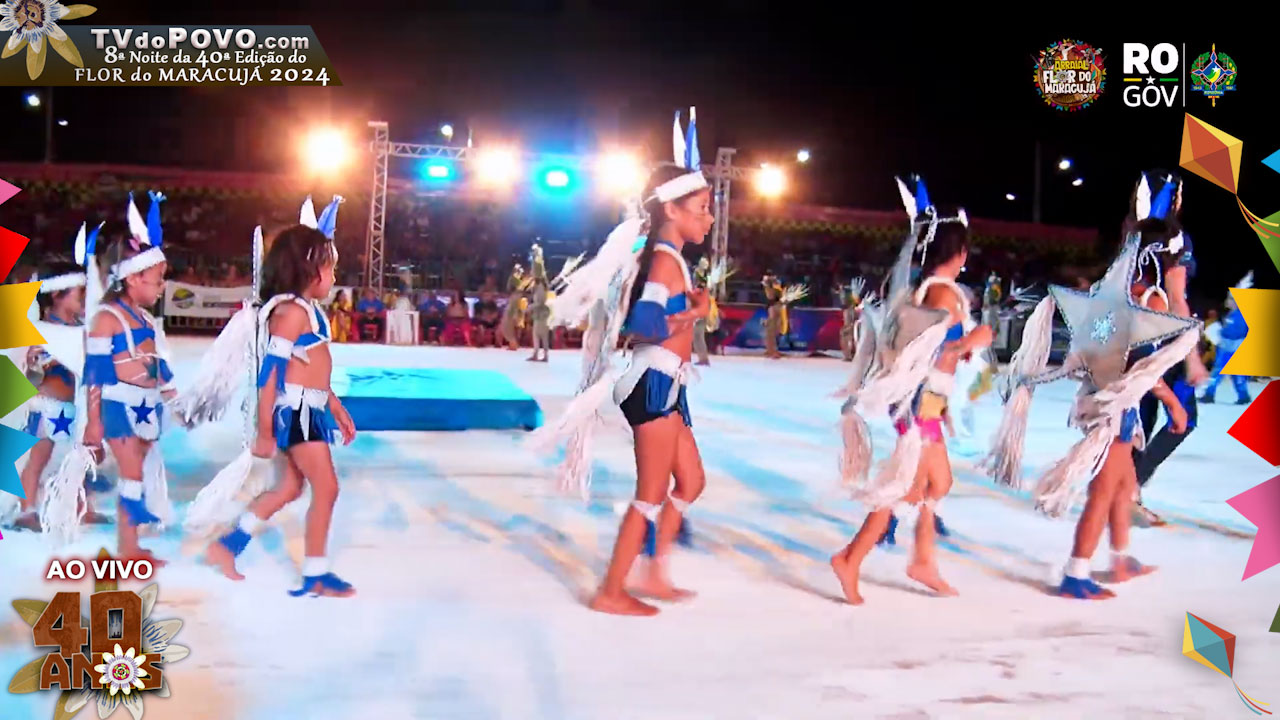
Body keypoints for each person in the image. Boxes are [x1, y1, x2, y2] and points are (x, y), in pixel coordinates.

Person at [533, 109, 713, 616]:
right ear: (672, 210)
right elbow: (644, 323)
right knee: (649, 495)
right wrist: (694, 313)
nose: (709, 218)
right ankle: (611, 590)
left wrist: (690, 311)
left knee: (691, 482)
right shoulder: (664, 261)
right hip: (652, 383)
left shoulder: (671, 259)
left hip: (668, 383)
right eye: (702, 208)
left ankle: (654, 573)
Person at [985, 174, 1200, 600]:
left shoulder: (1111, 289)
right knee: (1104, 491)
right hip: (1114, 410)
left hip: (1106, 402)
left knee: (1122, 485)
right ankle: (1076, 572)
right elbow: (1140, 369)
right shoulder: (1151, 300)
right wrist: (1173, 403)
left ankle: (1119, 559)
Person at [832, 176, 989, 604]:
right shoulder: (941, 293)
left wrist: (960, 354)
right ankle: (851, 558)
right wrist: (971, 342)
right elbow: (930, 351)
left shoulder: (928, 291)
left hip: (928, 400)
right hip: (921, 401)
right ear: (959, 252)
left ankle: (921, 559)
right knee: (908, 486)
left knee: (936, 482)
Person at [200, 197, 359, 596]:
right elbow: (270, 373)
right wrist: (265, 428)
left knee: (290, 488)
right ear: (308, 270)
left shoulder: (305, 310)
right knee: (327, 488)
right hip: (296, 414)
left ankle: (227, 546)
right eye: (330, 268)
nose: (334, 276)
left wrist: (335, 406)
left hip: (308, 410)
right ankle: (315, 573)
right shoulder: (291, 313)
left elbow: (311, 369)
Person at [82, 192, 178, 563]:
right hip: (117, 406)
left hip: (145, 405)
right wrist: (93, 421)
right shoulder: (106, 317)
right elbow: (96, 372)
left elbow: (155, 362)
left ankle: (131, 545)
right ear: (133, 278)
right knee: (132, 473)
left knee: (135, 473)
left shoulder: (146, 319)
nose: (162, 286)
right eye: (157, 279)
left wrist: (172, 395)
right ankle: (128, 549)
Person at [9, 227, 107, 532]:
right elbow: (29, 368)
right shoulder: (41, 331)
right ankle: (27, 510)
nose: (84, 300)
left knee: (82, 457)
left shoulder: (79, 329)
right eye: (79, 294)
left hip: (74, 406)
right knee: (38, 458)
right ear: (57, 294)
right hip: (46, 405)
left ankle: (82, 507)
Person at [1125, 172, 1208, 524]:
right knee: (1182, 418)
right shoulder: (1174, 239)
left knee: (1139, 419)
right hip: (1164, 341)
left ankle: (1126, 490)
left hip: (1133, 338)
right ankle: (1129, 486)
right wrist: (1192, 357)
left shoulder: (1131, 233)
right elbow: (1176, 300)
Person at [1199, 275, 1251, 405]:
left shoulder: (1240, 316)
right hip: (1227, 347)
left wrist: (1220, 333)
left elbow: (1235, 332)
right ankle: (1242, 395)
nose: (1228, 301)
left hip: (1232, 348)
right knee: (1231, 373)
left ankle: (1211, 394)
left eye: (1231, 299)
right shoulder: (1231, 314)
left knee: (1222, 372)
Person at [527, 243, 552, 362]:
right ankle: (536, 353)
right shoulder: (537, 286)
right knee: (536, 333)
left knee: (542, 334)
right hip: (538, 313)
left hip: (541, 313)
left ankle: (544, 355)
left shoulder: (540, 286)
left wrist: (530, 307)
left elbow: (540, 302)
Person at [499, 263, 526, 350]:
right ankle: (512, 342)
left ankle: (513, 343)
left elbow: (510, 288)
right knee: (508, 324)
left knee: (508, 323)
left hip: (516, 300)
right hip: (515, 300)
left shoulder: (517, 280)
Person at [762, 271, 784, 359]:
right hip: (773, 307)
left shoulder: (775, 287)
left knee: (774, 330)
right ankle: (771, 351)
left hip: (776, 306)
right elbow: (771, 297)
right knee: (771, 330)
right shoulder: (770, 288)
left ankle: (771, 350)